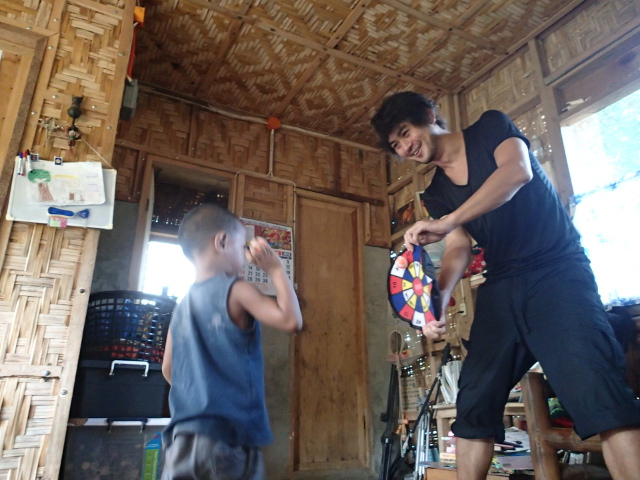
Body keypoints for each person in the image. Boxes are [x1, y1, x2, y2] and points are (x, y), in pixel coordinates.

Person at [371, 92, 640, 480]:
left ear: (428, 115)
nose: (405, 147)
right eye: (396, 145)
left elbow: (516, 173)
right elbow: (459, 247)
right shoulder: (436, 193)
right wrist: (435, 303)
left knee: (601, 391)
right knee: (474, 401)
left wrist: (448, 221)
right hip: (501, 283)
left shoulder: (491, 127)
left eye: (405, 132)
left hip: (557, 270)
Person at [161, 204, 302, 480]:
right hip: (226, 438)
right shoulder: (236, 289)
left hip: (182, 440)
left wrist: (200, 393)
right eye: (240, 248)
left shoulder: (181, 305)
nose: (243, 258)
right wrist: (276, 270)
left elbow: (169, 369)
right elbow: (290, 321)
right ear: (222, 241)